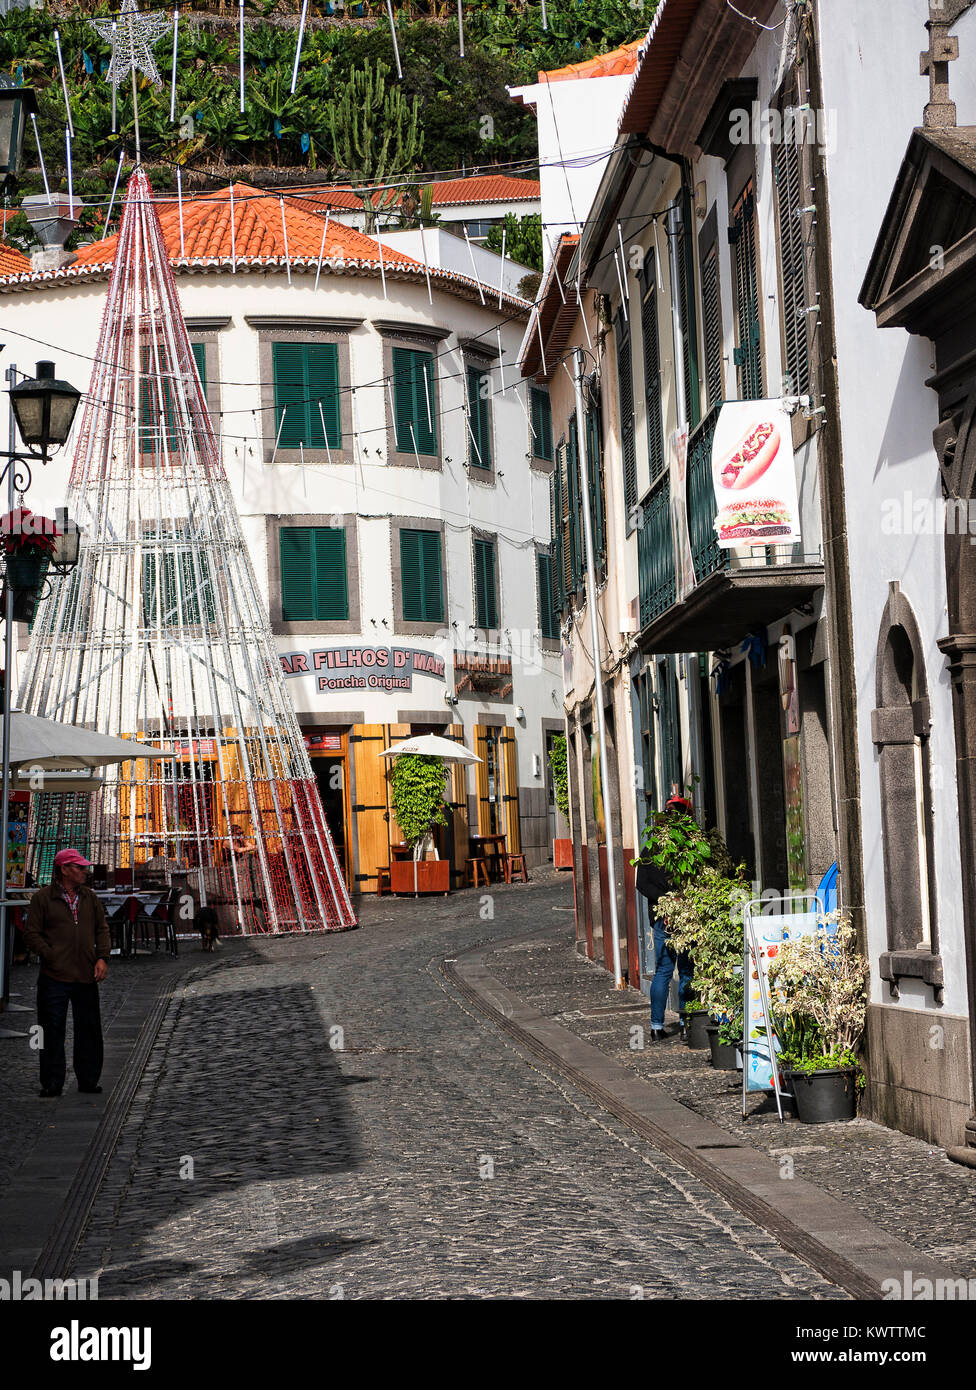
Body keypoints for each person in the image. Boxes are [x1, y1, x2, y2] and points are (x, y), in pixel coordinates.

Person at [22, 848, 110, 1098]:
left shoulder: (90, 898)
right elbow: (31, 934)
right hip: (54, 976)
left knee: (89, 1029)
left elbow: (102, 929)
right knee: (51, 1030)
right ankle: (52, 1082)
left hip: (85, 973)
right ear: (63, 870)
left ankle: (89, 1079)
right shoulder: (42, 899)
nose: (84, 871)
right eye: (78, 867)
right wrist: (50, 955)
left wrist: (102, 957)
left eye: (84, 867)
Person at [636, 794, 696, 1042]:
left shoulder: (651, 847)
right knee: (686, 970)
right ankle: (685, 1024)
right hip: (684, 916)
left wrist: (662, 900)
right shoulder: (689, 847)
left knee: (662, 971)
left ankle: (656, 1027)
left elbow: (641, 884)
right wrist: (676, 901)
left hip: (661, 918)